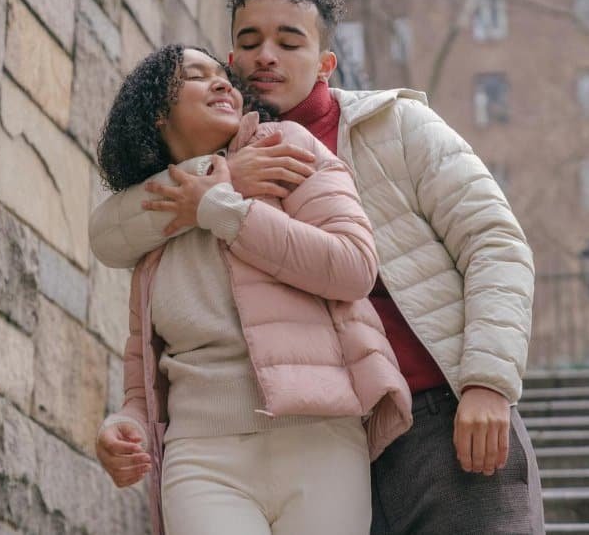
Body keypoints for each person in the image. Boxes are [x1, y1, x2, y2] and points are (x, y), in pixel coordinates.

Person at [91, 0, 544, 535]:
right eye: (249, 42)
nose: (266, 57)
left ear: (326, 62)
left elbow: (495, 241)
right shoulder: (223, 160)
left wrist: (486, 381)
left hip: (442, 415)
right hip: (334, 434)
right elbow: (110, 231)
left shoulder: (394, 125)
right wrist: (225, 176)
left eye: (289, 40)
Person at [92, 44, 412, 535]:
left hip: (319, 440)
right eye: (196, 77)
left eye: (222, 74)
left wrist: (221, 210)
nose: (223, 83)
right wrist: (127, 425)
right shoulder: (150, 231)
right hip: (201, 457)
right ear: (158, 113)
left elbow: (353, 267)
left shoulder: (285, 146)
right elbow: (144, 375)